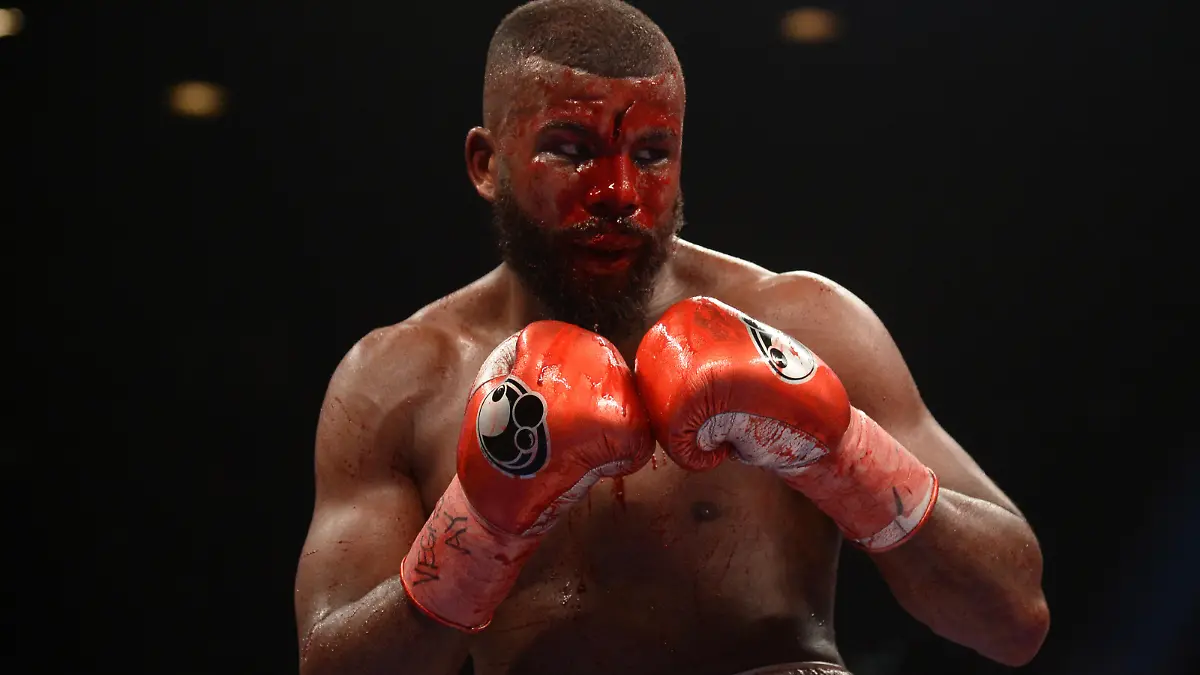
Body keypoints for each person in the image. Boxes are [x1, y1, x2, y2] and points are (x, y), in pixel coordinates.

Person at [293, 1, 1050, 673]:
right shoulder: (400, 378)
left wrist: (843, 451)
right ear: (486, 164)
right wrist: (479, 527)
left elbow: (1015, 619)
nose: (618, 193)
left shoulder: (804, 323)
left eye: (651, 155)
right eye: (570, 147)